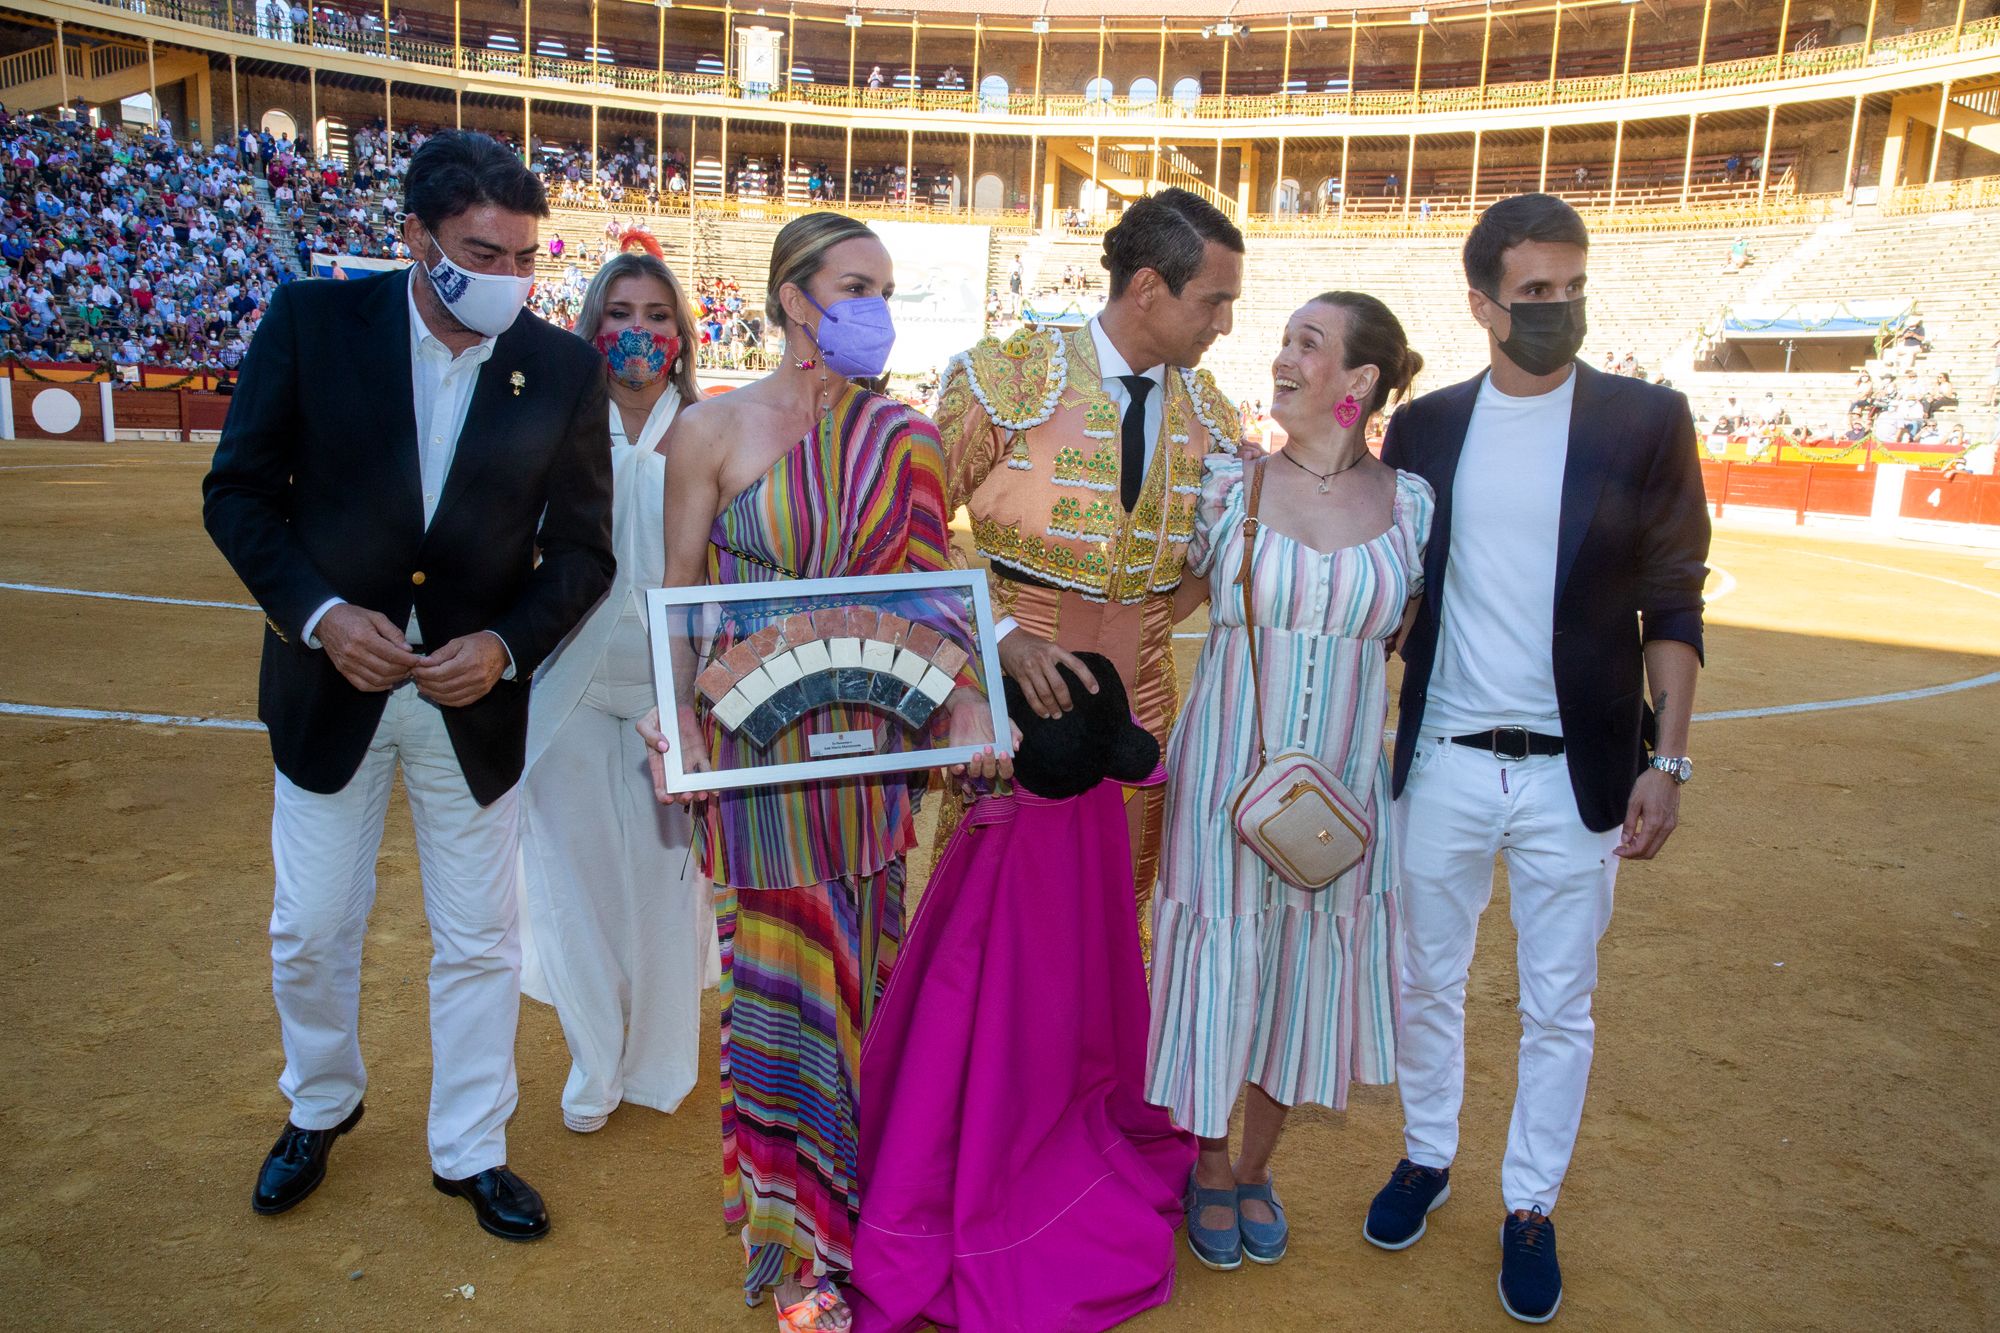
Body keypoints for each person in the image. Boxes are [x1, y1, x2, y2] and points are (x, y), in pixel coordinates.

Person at [203, 130, 614, 1242]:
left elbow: (582, 553)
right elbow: (237, 495)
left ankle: (471, 1146)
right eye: (482, 252)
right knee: (311, 926)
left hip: (471, 701)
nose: (507, 281)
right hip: (327, 681)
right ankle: (320, 1103)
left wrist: (507, 646)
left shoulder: (562, 366)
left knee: (481, 935)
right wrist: (323, 615)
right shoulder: (309, 323)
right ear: (414, 236)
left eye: (525, 258)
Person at [637, 212, 1008, 1332]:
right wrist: (678, 728)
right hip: (754, 758)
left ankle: (859, 1226)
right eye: (854, 283)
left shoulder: (907, 436)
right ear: (793, 295)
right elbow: (675, 601)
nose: (873, 308)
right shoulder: (706, 431)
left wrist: (975, 698)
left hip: (867, 752)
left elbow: (937, 592)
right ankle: (792, 1248)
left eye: (885, 288)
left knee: (862, 985)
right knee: (780, 989)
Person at [1363, 194, 1709, 1324]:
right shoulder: (1424, 429)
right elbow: (1394, 590)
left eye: (1571, 287)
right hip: (1447, 759)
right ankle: (1427, 1152)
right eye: (1533, 293)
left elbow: (1672, 599)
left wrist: (1671, 759)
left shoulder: (1647, 420)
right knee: (1426, 975)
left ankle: (1528, 1203)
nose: (1558, 308)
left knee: (1559, 1000)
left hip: (1581, 769)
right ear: (1481, 304)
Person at [1147, 292, 1433, 1272]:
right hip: (1226, 775)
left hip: (1342, 795)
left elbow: (1407, 640)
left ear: (1356, 381)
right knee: (1218, 968)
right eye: (1281, 339)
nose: (1278, 356)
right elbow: (1151, 601)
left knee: (1302, 974)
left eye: (1305, 344)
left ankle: (1254, 1165)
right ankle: (1208, 1159)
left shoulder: (1412, 506)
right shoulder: (1226, 486)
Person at [931, 186, 1244, 941]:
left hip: (1146, 702)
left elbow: (1220, 548)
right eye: (1213, 301)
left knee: (1119, 908)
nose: (1224, 325)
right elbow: (911, 528)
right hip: (1015, 693)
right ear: (1146, 287)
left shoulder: (1212, 411)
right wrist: (1001, 633)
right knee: (997, 909)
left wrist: (1147, 616)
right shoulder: (1005, 378)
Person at [850, 655, 1195, 1331]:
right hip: (1041, 785)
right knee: (1030, 1012)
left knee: (976, 1017)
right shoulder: (1091, 806)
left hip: (1043, 796)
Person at [514, 242, 717, 1137]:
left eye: (658, 316)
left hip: (673, 693)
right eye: (621, 314)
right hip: (563, 687)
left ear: (682, 332)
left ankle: (660, 1058)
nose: (639, 332)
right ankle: (594, 1060)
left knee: (669, 887)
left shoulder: (712, 431)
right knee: (574, 883)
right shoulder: (552, 425)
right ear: (592, 323)